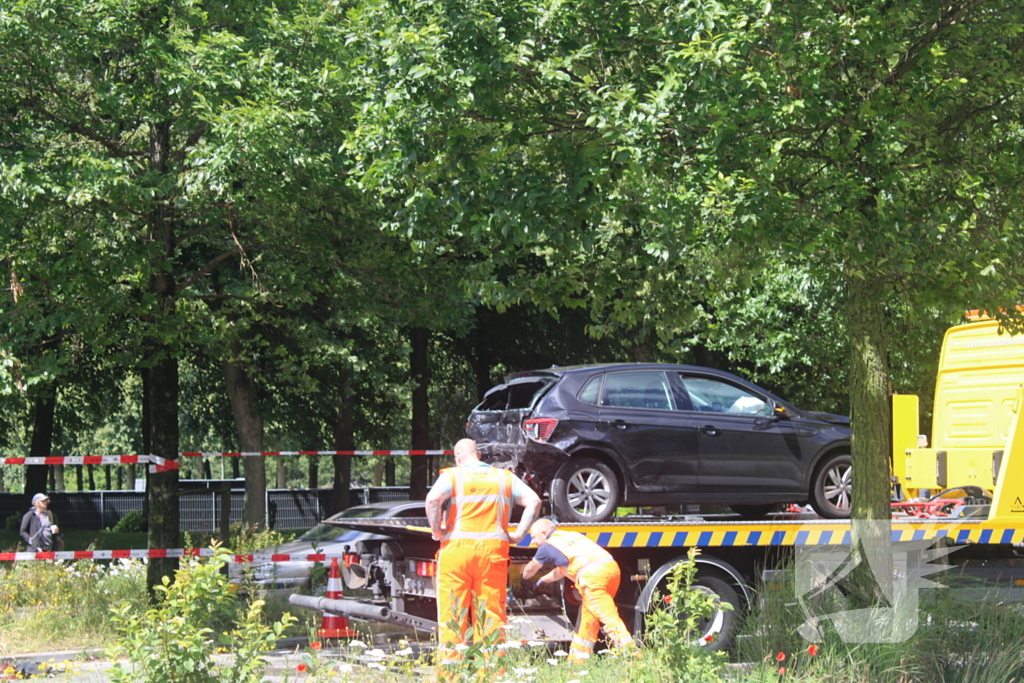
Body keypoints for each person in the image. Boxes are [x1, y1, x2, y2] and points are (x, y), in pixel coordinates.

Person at [425, 438, 542, 668]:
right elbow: (534, 502)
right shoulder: (504, 477)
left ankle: (451, 675)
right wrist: (518, 534)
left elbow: (432, 500)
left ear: (457, 456)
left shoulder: (452, 476)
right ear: (478, 454)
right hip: (493, 554)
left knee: (453, 615)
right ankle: (491, 674)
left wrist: (437, 530)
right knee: (491, 616)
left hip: (456, 552)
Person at [522, 518, 635, 663]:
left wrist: (524, 577)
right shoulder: (570, 537)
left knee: (608, 618)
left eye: (533, 537)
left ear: (544, 533)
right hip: (611, 571)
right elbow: (559, 572)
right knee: (588, 620)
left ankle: (634, 658)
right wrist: (541, 581)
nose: (533, 541)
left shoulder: (548, 546)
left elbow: (531, 568)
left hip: (592, 578)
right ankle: (577, 661)